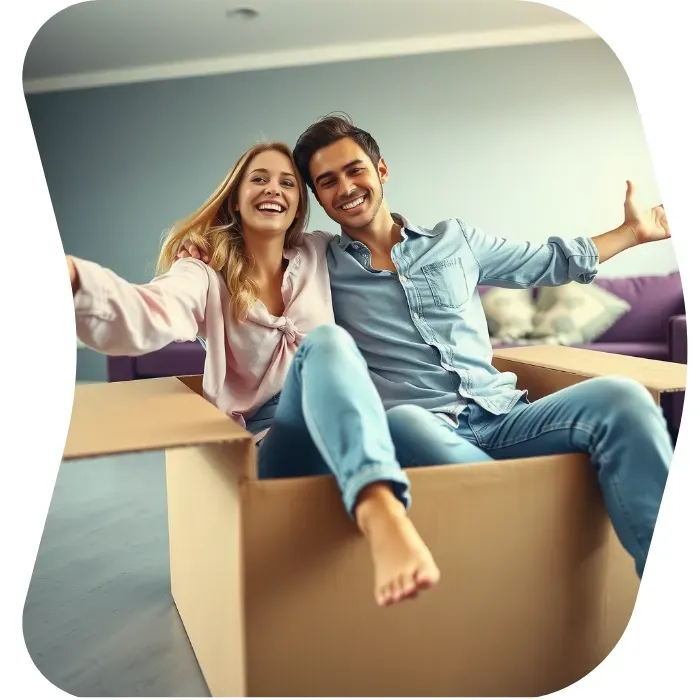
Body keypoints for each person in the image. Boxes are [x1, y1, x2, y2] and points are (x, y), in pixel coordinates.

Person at [180, 115, 674, 579]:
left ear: (381, 170)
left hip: (505, 417)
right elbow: (254, 249)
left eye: (355, 171)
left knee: (622, 397)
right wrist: (202, 250)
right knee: (403, 422)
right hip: (421, 431)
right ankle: (528, 511)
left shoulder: (455, 241)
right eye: (327, 182)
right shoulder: (316, 260)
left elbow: (548, 261)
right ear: (319, 199)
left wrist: (633, 232)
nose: (346, 188)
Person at [65, 141, 441, 608]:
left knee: (414, 423)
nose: (273, 189)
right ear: (236, 198)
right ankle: (382, 514)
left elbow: (384, 247)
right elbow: (150, 313)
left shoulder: (320, 254)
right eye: (258, 179)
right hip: (271, 443)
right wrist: (76, 279)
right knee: (327, 343)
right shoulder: (203, 272)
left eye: (287, 183)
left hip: (345, 427)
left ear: (299, 205)